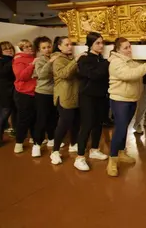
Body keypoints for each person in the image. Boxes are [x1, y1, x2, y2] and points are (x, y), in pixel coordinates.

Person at [107, 37, 146, 177]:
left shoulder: (130, 61)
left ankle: (121, 152)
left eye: (129, 47)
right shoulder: (115, 62)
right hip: (120, 100)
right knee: (120, 129)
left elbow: (138, 67)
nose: (129, 50)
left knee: (124, 128)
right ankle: (112, 160)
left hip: (131, 99)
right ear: (117, 50)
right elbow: (131, 74)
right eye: (125, 48)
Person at [75, 32, 110, 171]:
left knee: (98, 123)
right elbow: (95, 75)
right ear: (90, 44)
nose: (101, 46)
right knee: (87, 125)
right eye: (98, 43)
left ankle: (94, 149)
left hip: (100, 96)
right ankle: (79, 157)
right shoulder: (84, 59)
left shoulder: (101, 59)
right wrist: (107, 63)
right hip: (87, 96)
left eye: (102, 43)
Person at [49, 36, 86, 165]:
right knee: (63, 124)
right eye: (66, 44)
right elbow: (64, 74)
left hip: (75, 96)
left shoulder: (69, 59)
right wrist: (76, 60)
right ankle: (55, 151)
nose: (70, 46)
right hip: (64, 97)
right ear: (59, 47)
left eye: (71, 44)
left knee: (76, 122)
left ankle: (73, 143)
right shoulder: (58, 59)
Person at [32, 36, 62, 157]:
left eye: (49, 46)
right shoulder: (40, 60)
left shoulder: (56, 57)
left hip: (54, 93)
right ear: (39, 49)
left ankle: (51, 138)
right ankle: (36, 144)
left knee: (53, 117)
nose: (47, 50)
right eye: (43, 48)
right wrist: (50, 62)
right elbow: (42, 75)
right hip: (43, 93)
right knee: (42, 119)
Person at [12, 40, 38, 154]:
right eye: (26, 47)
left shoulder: (34, 57)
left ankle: (34, 137)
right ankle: (19, 142)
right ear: (21, 48)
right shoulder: (19, 60)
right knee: (23, 119)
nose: (30, 48)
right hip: (24, 93)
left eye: (30, 46)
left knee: (35, 117)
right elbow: (22, 76)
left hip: (35, 92)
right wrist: (32, 65)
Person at [0, 41, 17, 147]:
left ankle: (16, 131)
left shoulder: (14, 59)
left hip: (16, 88)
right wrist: (12, 61)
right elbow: (3, 72)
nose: (9, 50)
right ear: (1, 51)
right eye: (6, 49)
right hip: (4, 90)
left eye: (10, 48)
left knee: (16, 111)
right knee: (5, 112)